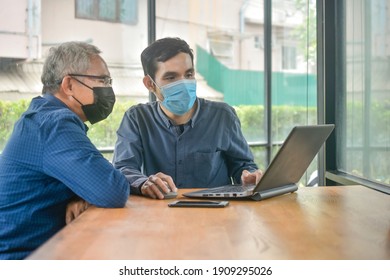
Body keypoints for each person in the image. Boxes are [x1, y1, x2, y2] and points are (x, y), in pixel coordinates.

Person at [0, 41, 130, 260]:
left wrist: (83, 193)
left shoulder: (42, 117)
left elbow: (96, 183)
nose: (109, 89)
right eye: (103, 80)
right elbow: (112, 190)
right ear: (69, 85)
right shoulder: (53, 124)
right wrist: (95, 187)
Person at [113, 37, 262, 200]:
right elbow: (123, 168)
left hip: (215, 212)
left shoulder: (222, 116)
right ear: (150, 84)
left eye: (189, 74)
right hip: (159, 212)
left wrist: (249, 177)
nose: (184, 84)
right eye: (171, 77)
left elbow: (243, 165)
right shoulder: (137, 118)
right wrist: (143, 183)